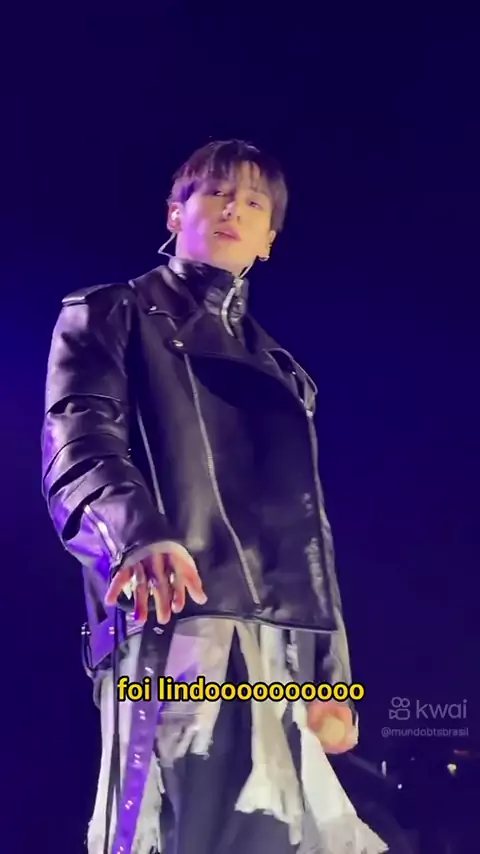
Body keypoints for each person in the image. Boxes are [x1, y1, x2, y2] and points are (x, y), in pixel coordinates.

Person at [41, 139, 387, 854]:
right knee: (176, 826)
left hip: (277, 650)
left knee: (284, 835)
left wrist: (331, 674)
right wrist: (136, 535)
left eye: (253, 203)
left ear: (269, 241)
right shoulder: (112, 313)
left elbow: (309, 535)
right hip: (175, 623)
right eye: (216, 193)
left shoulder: (283, 371)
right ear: (176, 213)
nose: (233, 209)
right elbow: (79, 441)